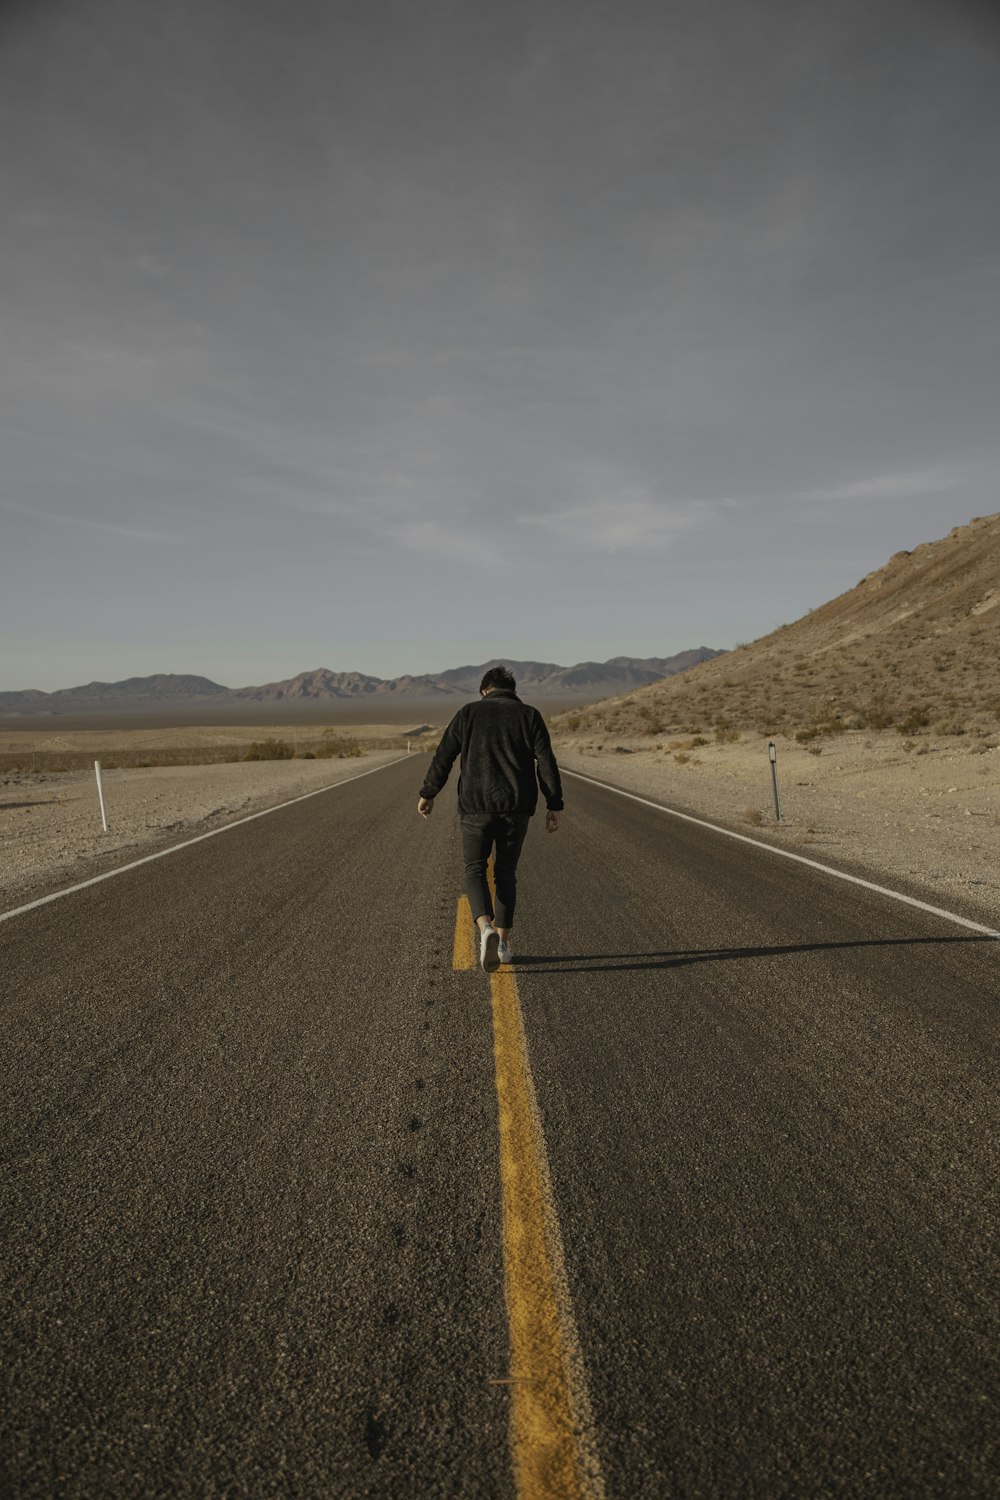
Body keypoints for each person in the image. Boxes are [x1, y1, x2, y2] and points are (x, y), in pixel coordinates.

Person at [417, 665, 563, 972]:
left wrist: (429, 792)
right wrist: (554, 803)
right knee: (506, 872)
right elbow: (546, 761)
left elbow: (444, 755)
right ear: (512, 689)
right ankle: (504, 943)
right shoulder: (530, 715)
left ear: (485, 690)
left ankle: (484, 927)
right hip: (516, 807)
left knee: (475, 868)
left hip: (475, 807)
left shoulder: (468, 713)